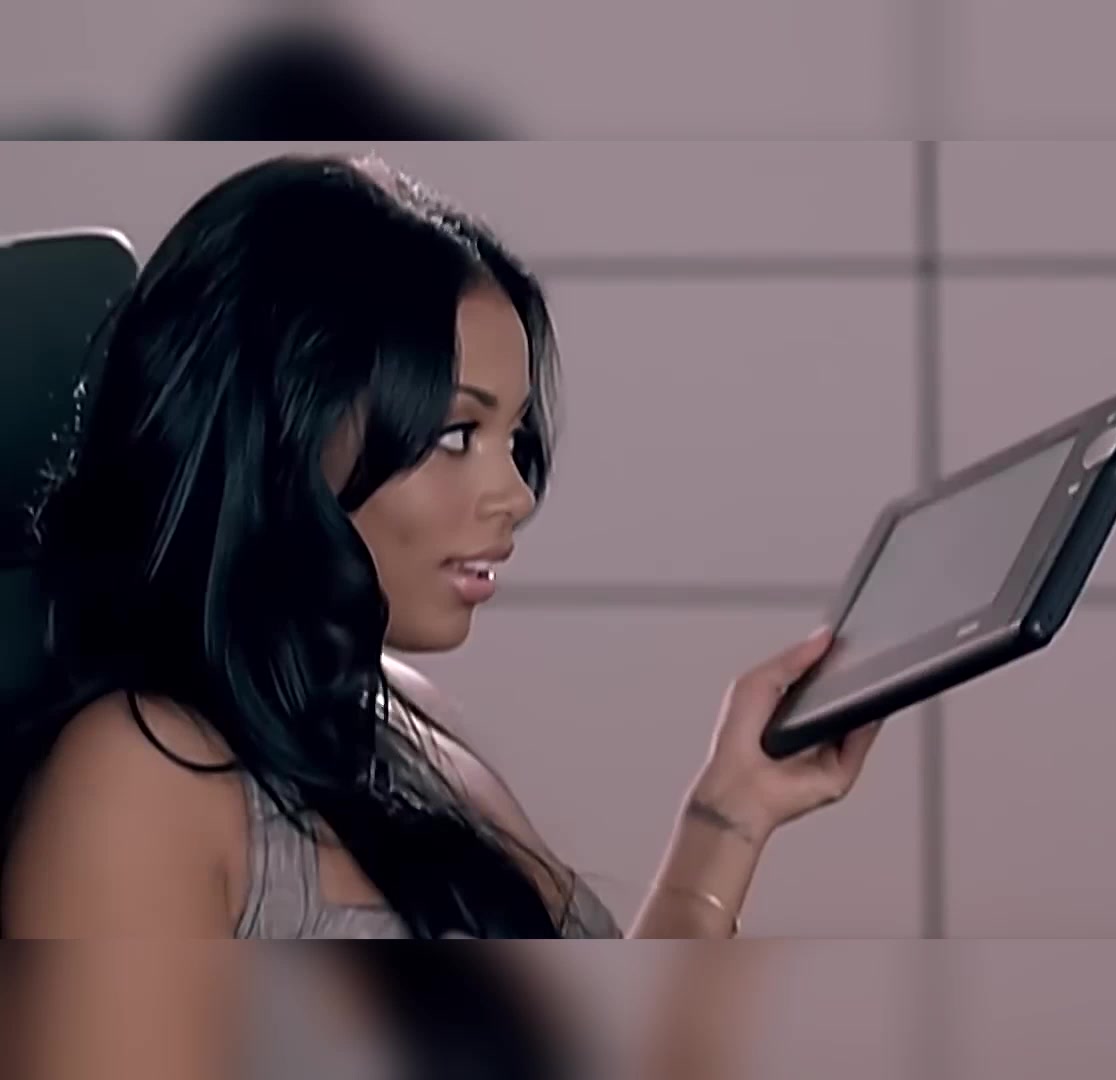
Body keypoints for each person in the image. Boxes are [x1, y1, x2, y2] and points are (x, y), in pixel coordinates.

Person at [0, 152, 883, 944]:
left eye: (514, 437)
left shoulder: (404, 717)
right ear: (279, 438)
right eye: (457, 434)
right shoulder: (137, 779)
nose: (517, 497)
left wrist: (729, 813)